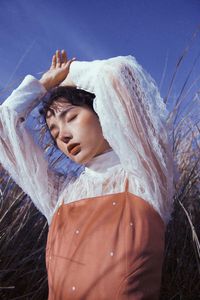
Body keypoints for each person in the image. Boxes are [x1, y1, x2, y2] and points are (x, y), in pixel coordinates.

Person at [0, 50, 174, 299]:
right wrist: (42, 86)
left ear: (102, 112)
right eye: (53, 130)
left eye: (71, 117)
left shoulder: (146, 176)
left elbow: (115, 75)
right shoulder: (59, 194)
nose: (62, 134)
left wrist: (70, 75)